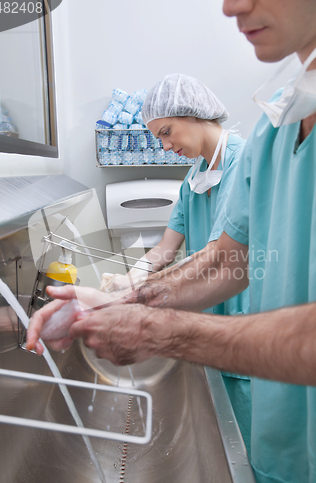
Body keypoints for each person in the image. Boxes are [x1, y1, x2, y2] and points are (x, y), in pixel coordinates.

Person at [27, 0, 316, 483]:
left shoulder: (250, 148)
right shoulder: (279, 127)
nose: (231, 6)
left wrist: (161, 331)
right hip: (285, 429)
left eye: (166, 133)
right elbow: (227, 260)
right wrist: (122, 300)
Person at [101, 73, 251, 454]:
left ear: (195, 114)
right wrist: (130, 277)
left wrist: (138, 296)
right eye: (158, 138)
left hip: (247, 323)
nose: (165, 146)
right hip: (207, 322)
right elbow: (164, 250)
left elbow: (218, 255)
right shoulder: (193, 179)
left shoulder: (244, 162)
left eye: (167, 132)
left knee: (251, 450)